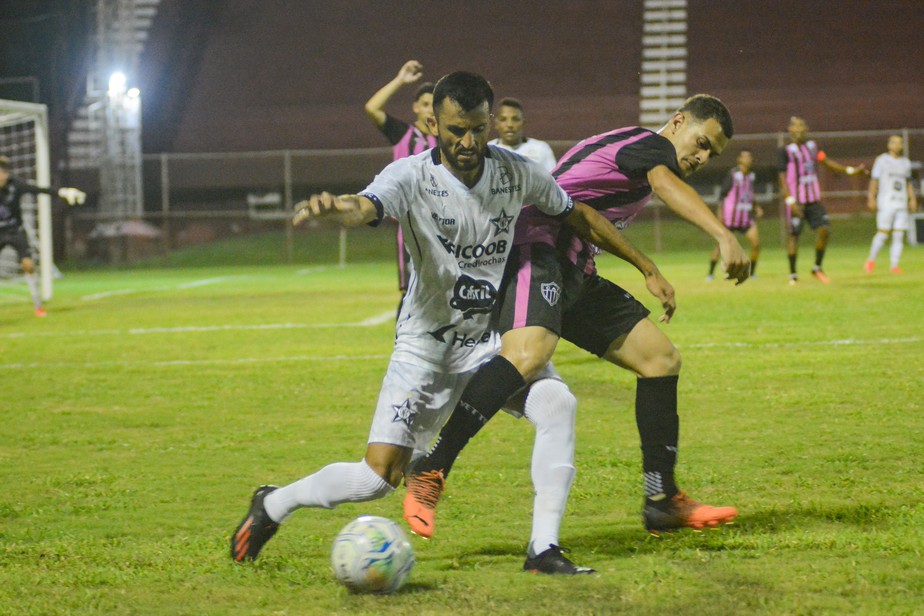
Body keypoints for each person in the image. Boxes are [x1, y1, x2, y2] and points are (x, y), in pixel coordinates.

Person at [231, 71, 672, 574]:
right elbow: (366, 207)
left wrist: (647, 266)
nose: (468, 142)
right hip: (426, 346)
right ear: (434, 123)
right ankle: (272, 504)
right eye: (456, 130)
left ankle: (543, 549)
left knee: (558, 403)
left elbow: (578, 214)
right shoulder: (411, 175)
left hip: (487, 342)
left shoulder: (517, 172)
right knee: (378, 477)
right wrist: (338, 209)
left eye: (478, 129)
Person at [404, 94, 750, 540]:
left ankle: (661, 500)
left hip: (575, 265)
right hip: (536, 246)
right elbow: (662, 185)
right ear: (678, 122)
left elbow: (590, 220)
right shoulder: (650, 146)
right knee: (528, 354)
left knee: (660, 358)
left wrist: (649, 269)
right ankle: (430, 466)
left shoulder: (638, 156)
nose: (701, 157)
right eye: (701, 142)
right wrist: (723, 233)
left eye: (712, 154)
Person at [364, 60, 438, 295]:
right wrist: (400, 80)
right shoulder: (404, 134)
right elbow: (372, 108)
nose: (430, 110)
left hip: (445, 221)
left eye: (434, 105)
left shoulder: (448, 141)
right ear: (415, 107)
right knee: (411, 293)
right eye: (425, 104)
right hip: (411, 225)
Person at [778, 116, 866, 285]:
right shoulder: (785, 151)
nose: (798, 129)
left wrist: (850, 171)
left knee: (825, 229)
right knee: (794, 236)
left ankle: (817, 268)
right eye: (795, 126)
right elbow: (781, 177)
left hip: (813, 200)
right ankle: (793, 274)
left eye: (801, 125)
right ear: (790, 129)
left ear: (806, 129)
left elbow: (826, 162)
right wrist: (790, 200)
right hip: (796, 201)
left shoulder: (812, 147)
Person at [0, 155, 85, 316]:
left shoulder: (15, 185)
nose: (1, 176)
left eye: (3, 172)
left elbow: (39, 190)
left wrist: (63, 192)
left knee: (28, 265)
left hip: (15, 231)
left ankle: (37, 304)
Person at [865, 135, 918, 274]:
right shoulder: (882, 160)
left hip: (901, 202)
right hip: (886, 202)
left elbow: (908, 183)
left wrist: (912, 199)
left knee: (899, 234)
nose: (897, 145)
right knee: (883, 233)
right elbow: (874, 180)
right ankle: (871, 260)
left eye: (900, 143)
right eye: (894, 142)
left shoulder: (905, 162)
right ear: (889, 145)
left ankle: (894, 265)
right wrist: (871, 197)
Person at [707, 149, 762, 280]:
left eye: (750, 157)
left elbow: (750, 194)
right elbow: (722, 196)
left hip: (745, 219)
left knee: (756, 244)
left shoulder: (751, 176)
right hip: (729, 219)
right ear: (739, 160)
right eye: (745, 157)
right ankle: (710, 274)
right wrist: (719, 215)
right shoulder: (732, 175)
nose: (749, 159)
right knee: (720, 246)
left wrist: (756, 207)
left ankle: (752, 273)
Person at [488, 97, 557, 172]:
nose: (510, 125)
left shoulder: (540, 149)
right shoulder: (487, 151)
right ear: (496, 124)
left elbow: (554, 180)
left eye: (515, 119)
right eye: (503, 119)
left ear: (523, 123)